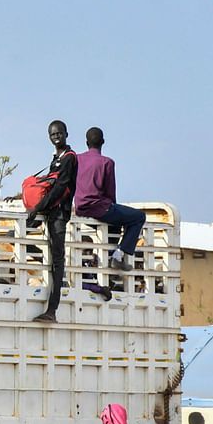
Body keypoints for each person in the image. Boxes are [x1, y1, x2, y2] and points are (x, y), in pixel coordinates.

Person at [75, 127, 146, 272]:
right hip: (99, 208)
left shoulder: (77, 159)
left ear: (86, 142)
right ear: (103, 142)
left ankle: (108, 258)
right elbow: (110, 192)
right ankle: (117, 256)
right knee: (139, 217)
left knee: (115, 226)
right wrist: (113, 206)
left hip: (80, 207)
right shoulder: (107, 162)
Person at [28, 120, 78, 323]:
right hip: (50, 212)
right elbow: (47, 184)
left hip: (59, 214)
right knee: (24, 237)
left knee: (57, 260)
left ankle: (52, 309)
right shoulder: (56, 158)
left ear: (66, 134)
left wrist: (38, 207)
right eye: (52, 134)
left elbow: (59, 188)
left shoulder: (69, 159)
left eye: (59, 134)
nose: (56, 137)